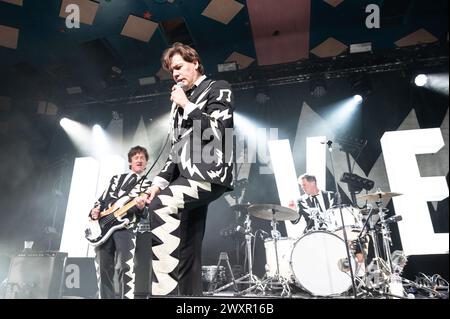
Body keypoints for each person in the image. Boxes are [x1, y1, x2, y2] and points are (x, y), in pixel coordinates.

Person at [144, 42, 234, 296]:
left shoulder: (218, 88)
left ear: (195, 62)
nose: (175, 74)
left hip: (209, 171)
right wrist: (159, 182)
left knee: (161, 206)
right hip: (185, 175)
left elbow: (218, 132)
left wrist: (187, 105)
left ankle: (165, 294)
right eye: (172, 71)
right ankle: (191, 299)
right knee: (187, 244)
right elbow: (176, 150)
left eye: (180, 67)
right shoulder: (180, 104)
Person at [89, 145, 152, 299]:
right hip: (103, 227)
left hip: (126, 227)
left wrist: (142, 207)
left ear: (146, 164)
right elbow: (101, 200)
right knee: (103, 267)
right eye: (136, 157)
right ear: (130, 162)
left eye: (142, 158)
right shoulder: (116, 179)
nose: (139, 159)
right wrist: (95, 211)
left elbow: (145, 212)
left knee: (124, 266)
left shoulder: (148, 185)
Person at [289, 173, 367, 276]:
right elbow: (295, 221)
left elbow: (340, 214)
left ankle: (358, 277)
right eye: (301, 186)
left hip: (333, 233)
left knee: (358, 241)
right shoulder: (300, 201)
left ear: (313, 183)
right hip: (314, 235)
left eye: (304, 185)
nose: (302, 187)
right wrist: (292, 211)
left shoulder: (332, 195)